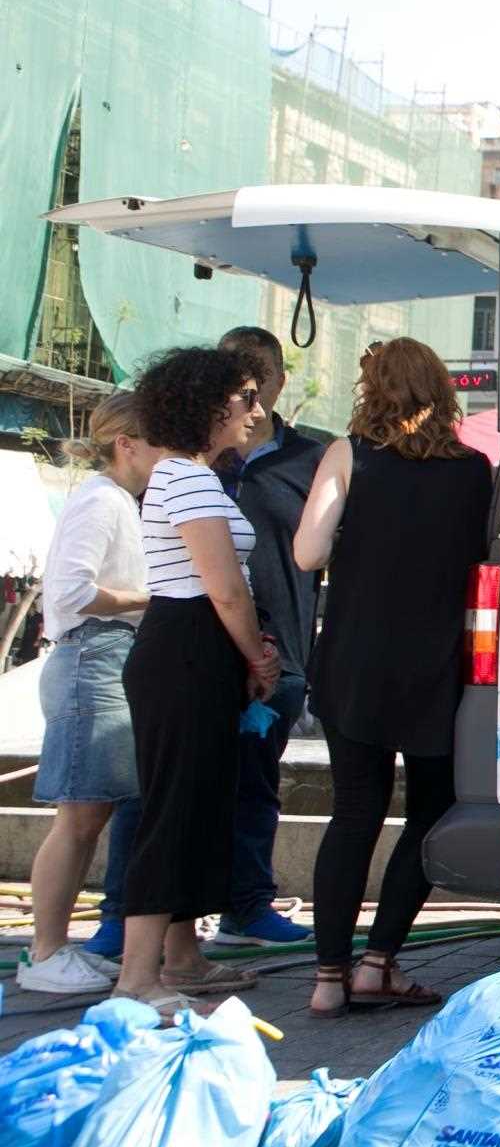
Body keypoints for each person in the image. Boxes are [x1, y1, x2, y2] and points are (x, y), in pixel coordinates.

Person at [298, 338, 491, 1016]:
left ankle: (327, 980)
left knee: (353, 812)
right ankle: (379, 962)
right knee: (429, 811)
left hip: (353, 661)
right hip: (436, 665)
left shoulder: (348, 455)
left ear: (372, 389)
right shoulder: (474, 471)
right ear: (441, 390)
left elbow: (306, 550)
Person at [115, 347, 280, 1013]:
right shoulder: (186, 478)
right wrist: (259, 657)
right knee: (174, 807)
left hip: (193, 648)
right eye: (245, 397)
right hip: (185, 646)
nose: (256, 410)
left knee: (198, 802)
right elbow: (225, 591)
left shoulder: (193, 478)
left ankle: (181, 958)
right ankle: (136, 976)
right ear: (208, 405)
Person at [16, 396, 160, 994]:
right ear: (127, 443)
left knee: (90, 812)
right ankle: (45, 953)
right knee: (78, 816)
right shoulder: (100, 499)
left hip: (104, 658)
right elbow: (73, 590)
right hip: (91, 657)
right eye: (158, 441)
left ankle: (52, 950)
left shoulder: (116, 500)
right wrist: (148, 598)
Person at [210, 326, 321, 947]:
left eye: (262, 381)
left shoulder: (311, 459)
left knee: (256, 786)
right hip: (205, 649)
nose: (252, 399)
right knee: (174, 787)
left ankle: (246, 906)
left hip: (286, 651)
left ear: (281, 381)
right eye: (238, 382)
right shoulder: (194, 458)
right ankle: (147, 916)